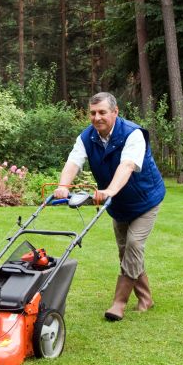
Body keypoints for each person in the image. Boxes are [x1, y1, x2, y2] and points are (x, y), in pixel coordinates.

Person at [53, 92, 165, 321]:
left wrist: (110, 191)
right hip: (118, 204)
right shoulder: (87, 137)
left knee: (134, 245)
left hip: (145, 200)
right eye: (93, 113)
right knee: (126, 251)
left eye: (102, 112)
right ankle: (146, 298)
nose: (97, 117)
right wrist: (64, 185)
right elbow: (73, 162)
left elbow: (127, 165)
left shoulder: (133, 134)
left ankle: (118, 304)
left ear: (115, 112)